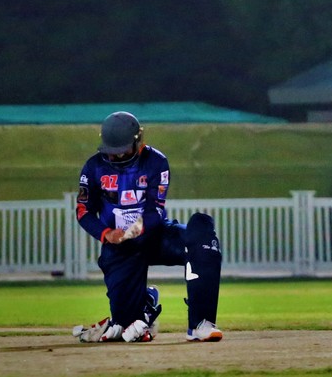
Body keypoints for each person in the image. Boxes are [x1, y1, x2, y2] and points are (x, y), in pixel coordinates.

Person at [72, 111, 223, 343]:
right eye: (111, 151)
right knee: (126, 326)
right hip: (120, 247)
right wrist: (106, 233)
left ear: (137, 141)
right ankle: (146, 301)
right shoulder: (93, 167)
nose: (116, 156)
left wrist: (135, 230)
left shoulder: (156, 162)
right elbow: (83, 211)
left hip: (155, 236)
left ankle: (201, 324)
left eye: (122, 150)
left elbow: (156, 211)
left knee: (203, 234)